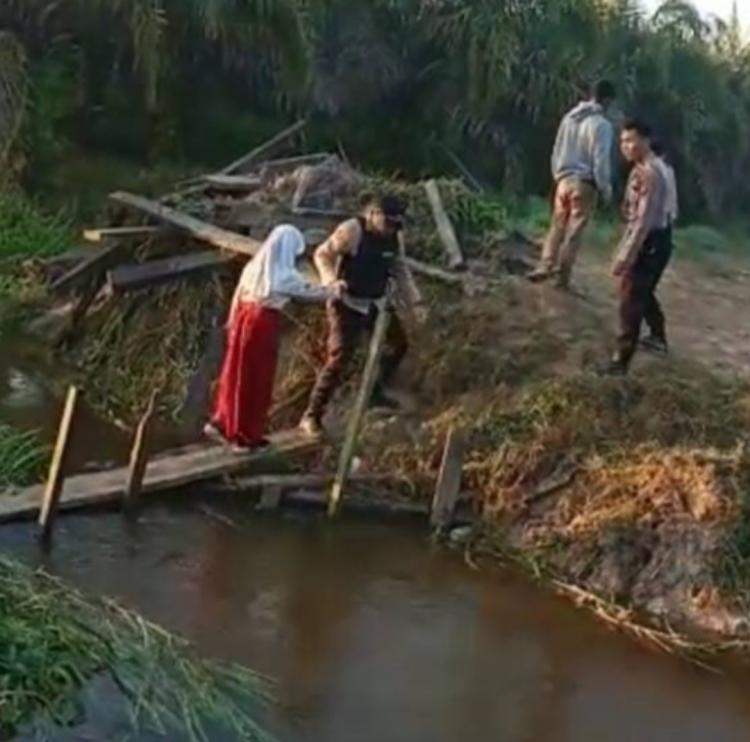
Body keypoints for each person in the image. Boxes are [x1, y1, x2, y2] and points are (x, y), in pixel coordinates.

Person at [298, 193, 425, 438]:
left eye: (396, 225)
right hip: (346, 301)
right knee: (339, 357)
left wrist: (416, 302)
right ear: (373, 215)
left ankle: (374, 393)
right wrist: (331, 281)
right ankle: (312, 415)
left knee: (398, 345)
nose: (391, 229)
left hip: (375, 301)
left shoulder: (395, 237)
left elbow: (400, 269)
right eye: (387, 223)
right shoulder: (352, 230)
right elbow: (323, 254)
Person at [205, 225, 337, 450]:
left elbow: (238, 295)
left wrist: (232, 323)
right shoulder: (283, 275)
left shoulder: (253, 267)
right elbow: (311, 292)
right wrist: (335, 289)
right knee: (256, 380)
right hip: (261, 324)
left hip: (242, 319)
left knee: (235, 373)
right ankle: (242, 435)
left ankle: (223, 422)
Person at [529, 79, 616, 289]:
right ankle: (562, 277)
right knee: (574, 230)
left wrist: (558, 176)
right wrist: (605, 189)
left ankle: (545, 264)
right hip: (585, 183)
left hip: (563, 180)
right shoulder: (602, 125)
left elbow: (557, 150)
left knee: (557, 224)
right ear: (607, 100)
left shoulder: (569, 118)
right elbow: (600, 160)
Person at [605, 119, 671, 375]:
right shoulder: (653, 167)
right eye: (622, 141)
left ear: (645, 140)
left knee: (630, 300)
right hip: (658, 238)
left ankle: (620, 362)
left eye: (631, 140)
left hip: (649, 242)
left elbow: (643, 222)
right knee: (642, 292)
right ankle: (657, 336)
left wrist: (626, 255)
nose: (625, 146)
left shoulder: (649, 173)